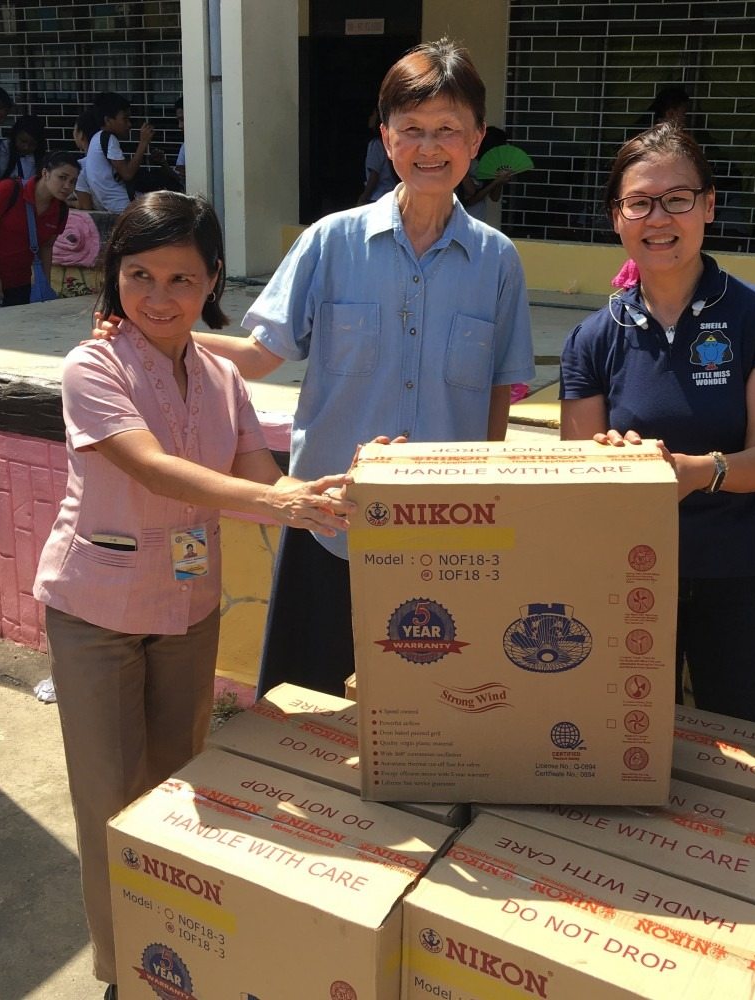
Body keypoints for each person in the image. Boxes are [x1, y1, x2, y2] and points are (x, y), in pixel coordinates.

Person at [95, 39, 535, 698]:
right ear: (386, 138)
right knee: (308, 705)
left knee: (436, 705)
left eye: (448, 129)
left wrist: (486, 491)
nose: (429, 147)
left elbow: (499, 390)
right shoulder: (331, 242)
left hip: (445, 525)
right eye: (412, 129)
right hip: (332, 517)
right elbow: (259, 356)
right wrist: (152, 332)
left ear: (476, 139)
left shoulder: (498, 262)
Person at [34, 191, 354, 1000]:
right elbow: (153, 468)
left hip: (186, 607)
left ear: (212, 279)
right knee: (111, 798)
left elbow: (259, 472)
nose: (158, 296)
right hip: (97, 614)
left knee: (177, 787)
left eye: (181, 278)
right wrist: (279, 502)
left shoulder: (218, 375)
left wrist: (319, 492)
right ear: (115, 274)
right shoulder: (92, 367)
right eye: (139, 274)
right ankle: (123, 973)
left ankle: (173, 952)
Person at [559, 123, 755, 728]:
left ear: (709, 205)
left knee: (748, 744)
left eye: (677, 199)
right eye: (639, 203)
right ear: (616, 218)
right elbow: (577, 469)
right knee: (632, 744)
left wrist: (695, 472)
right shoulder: (592, 338)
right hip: (629, 577)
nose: (658, 218)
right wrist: (611, 459)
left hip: (745, 576)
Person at [0, 150, 80, 311]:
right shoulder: (9, 189)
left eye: (73, 181)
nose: (67, 186)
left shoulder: (61, 210)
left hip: (19, 283)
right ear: (45, 173)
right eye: (62, 177)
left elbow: (46, 246)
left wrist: (44, 285)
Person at [83, 91, 154, 213]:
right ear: (108, 120)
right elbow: (127, 174)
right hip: (121, 204)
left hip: (113, 204)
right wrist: (143, 143)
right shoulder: (109, 139)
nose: (129, 124)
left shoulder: (97, 138)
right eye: (125, 119)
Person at [355, 107, 397, 205]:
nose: (370, 118)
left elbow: (374, 175)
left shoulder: (375, 144)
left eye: (372, 115)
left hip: (377, 197)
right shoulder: (387, 144)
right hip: (389, 194)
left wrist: (364, 197)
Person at [0, 114, 47, 184]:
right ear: (15, 136)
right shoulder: (6, 148)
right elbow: (1, 174)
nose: (26, 147)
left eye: (32, 144)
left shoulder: (38, 156)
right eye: (23, 141)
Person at [71, 107, 101, 210]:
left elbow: (85, 205)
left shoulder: (79, 167)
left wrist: (68, 203)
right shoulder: (115, 161)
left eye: (74, 130)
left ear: (81, 134)